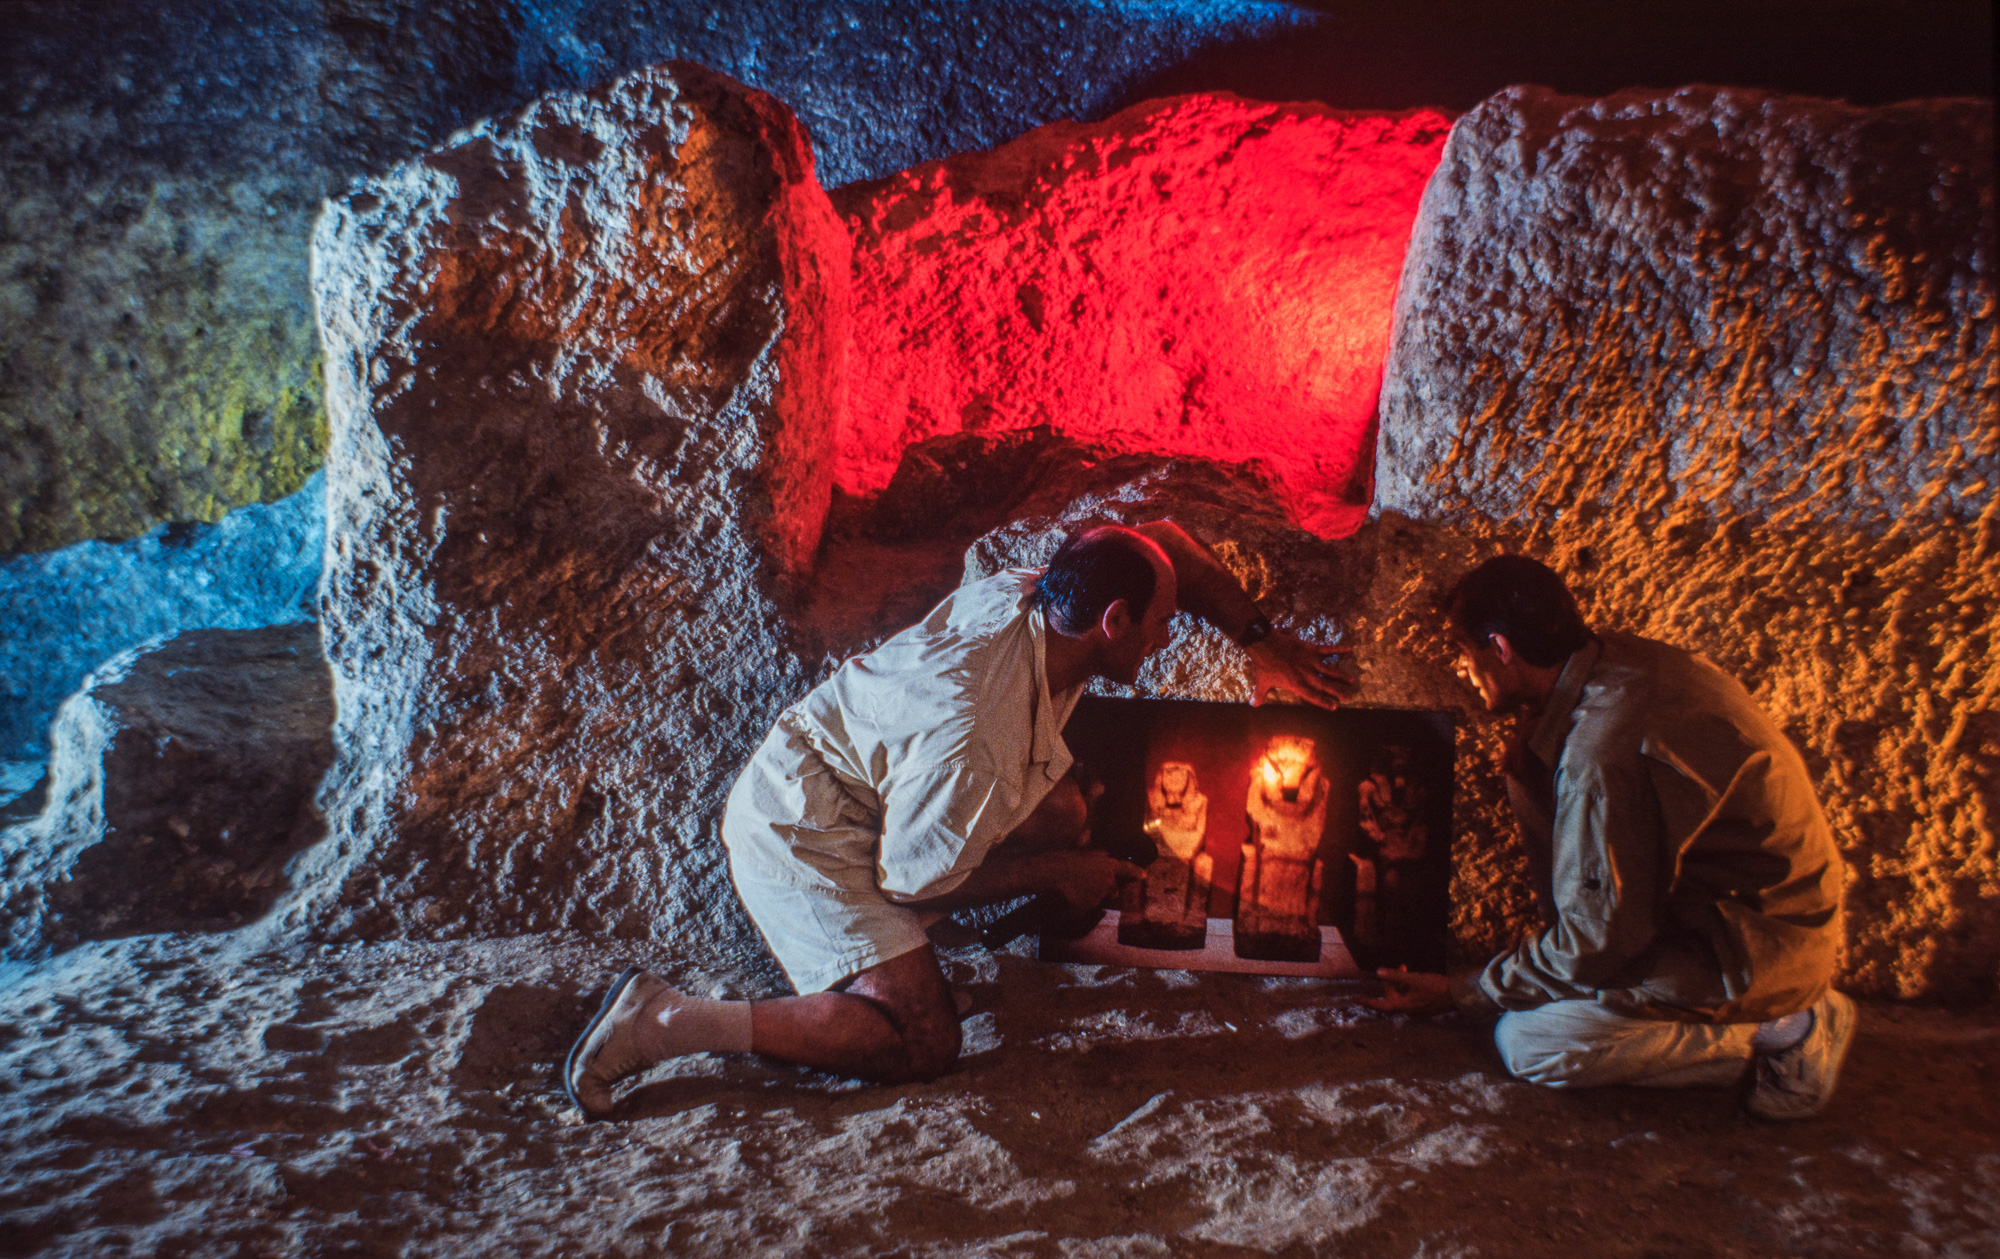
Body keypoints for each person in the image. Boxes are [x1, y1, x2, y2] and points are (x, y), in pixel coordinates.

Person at [567, 522, 1355, 1117]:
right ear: (1114, 621)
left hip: (875, 785)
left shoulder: (1042, 593)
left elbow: (1164, 543)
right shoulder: (978, 733)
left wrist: (1262, 641)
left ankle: (912, 965)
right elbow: (907, 879)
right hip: (805, 833)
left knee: (1062, 808)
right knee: (922, 1042)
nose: (1166, 635)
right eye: (1160, 624)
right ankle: (669, 1018)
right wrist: (1055, 873)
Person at [1366, 555, 1853, 1120]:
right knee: (1524, 759)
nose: (1462, 671)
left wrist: (1464, 991)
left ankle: (1785, 1030)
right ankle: (1757, 1008)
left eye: (1464, 654)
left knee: (1531, 1043)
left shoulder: (1600, 754)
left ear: (1500, 649)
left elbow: (1599, 938)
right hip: (1723, 917)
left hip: (1751, 947)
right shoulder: (1617, 665)